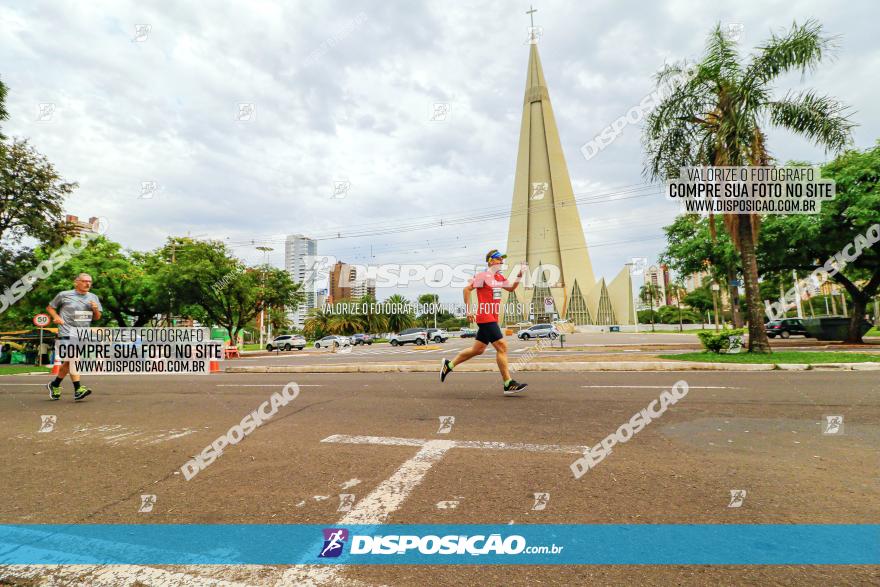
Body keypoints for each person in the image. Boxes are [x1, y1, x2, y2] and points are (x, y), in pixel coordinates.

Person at [440, 249, 527, 395]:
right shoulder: (483, 276)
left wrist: (520, 274)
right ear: (491, 261)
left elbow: (511, 288)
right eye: (499, 259)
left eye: (502, 259)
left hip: (492, 317)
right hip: (484, 316)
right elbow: (467, 290)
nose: (502, 262)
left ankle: (448, 365)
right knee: (502, 346)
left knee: (478, 350)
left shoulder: (499, 277)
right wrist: (468, 310)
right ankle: (508, 383)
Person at [45, 273, 102, 401]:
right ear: (76, 282)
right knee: (74, 358)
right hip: (66, 331)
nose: (87, 284)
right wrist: (56, 317)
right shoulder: (64, 294)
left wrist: (95, 309)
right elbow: (50, 307)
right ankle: (78, 389)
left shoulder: (93, 297)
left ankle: (54, 385)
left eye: (90, 282)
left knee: (69, 362)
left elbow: (97, 317)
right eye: (84, 281)